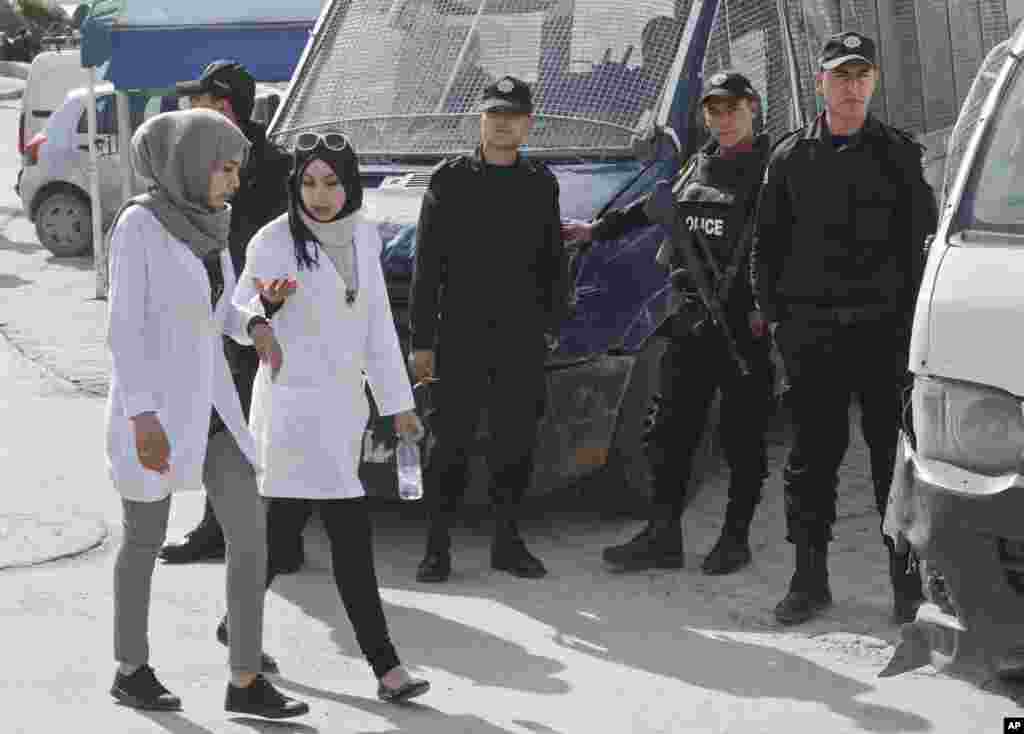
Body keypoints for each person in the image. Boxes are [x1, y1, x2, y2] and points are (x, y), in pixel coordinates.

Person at [105, 109, 309, 718]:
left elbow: (224, 309)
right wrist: (141, 416)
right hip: (158, 410)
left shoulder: (209, 225)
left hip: (215, 407)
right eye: (224, 167)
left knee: (251, 538)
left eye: (237, 169)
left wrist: (256, 321)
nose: (234, 182)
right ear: (189, 164)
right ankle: (131, 669)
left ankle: (244, 679)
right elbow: (123, 328)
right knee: (143, 539)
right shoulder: (139, 226)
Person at [231, 131, 431, 703]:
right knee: (348, 537)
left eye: (332, 183)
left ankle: (232, 621)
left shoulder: (365, 237)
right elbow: (239, 306)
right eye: (309, 183)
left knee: (279, 534)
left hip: (343, 412)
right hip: (292, 410)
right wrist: (260, 317)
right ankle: (386, 666)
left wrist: (400, 406)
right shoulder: (274, 240)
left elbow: (376, 331)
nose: (320, 196)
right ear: (295, 185)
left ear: (349, 185)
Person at [751, 31, 938, 626]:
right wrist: (781, 325)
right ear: (821, 83)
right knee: (811, 462)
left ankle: (907, 590)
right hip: (813, 339)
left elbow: (923, 248)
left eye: (861, 75)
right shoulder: (789, 157)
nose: (851, 85)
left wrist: (918, 335)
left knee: (895, 464)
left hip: (886, 337)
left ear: (874, 81)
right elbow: (766, 249)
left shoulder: (900, 155)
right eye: (840, 75)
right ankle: (809, 582)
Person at [564, 71, 775, 575]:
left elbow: (797, 241)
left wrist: (772, 307)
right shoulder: (699, 163)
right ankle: (663, 536)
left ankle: (735, 538)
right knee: (670, 433)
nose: (723, 119)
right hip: (688, 322)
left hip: (743, 325)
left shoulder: (772, 171)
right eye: (714, 110)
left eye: (733, 109)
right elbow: (656, 209)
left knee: (743, 438)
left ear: (753, 108)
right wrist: (597, 229)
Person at [409, 75, 569, 583]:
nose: (503, 123)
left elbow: (552, 261)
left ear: (527, 123)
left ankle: (508, 542)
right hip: (460, 335)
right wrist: (422, 342)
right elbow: (426, 266)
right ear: (480, 119)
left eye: (513, 115)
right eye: (494, 114)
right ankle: (437, 549)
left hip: (519, 338)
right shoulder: (450, 179)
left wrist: (550, 324)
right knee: (448, 446)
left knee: (514, 444)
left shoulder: (540, 182)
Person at [160, 60, 295, 569]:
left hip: (268, 315)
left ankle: (283, 540)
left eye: (202, 102)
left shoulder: (276, 165)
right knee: (218, 426)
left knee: (270, 427)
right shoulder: (199, 160)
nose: (192, 110)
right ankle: (216, 529)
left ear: (225, 107)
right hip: (215, 314)